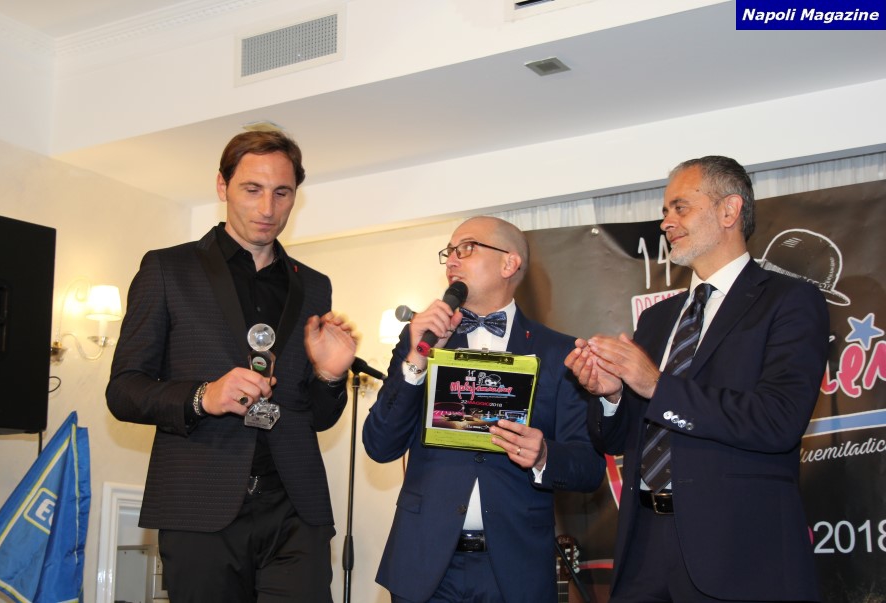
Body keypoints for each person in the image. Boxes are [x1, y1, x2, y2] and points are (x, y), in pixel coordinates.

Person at [107, 130, 357, 603]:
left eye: (282, 193)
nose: (267, 207)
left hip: (295, 507)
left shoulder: (314, 286)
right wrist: (204, 396)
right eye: (252, 189)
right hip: (199, 505)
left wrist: (329, 375)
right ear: (222, 186)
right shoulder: (167, 269)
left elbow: (317, 417)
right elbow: (123, 390)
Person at [565, 156, 829, 602]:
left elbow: (779, 421)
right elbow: (620, 440)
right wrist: (610, 397)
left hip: (736, 552)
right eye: (665, 211)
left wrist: (656, 385)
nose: (666, 222)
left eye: (680, 207)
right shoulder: (658, 318)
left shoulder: (789, 301)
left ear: (729, 210)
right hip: (643, 545)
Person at [363, 216, 606, 603]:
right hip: (424, 563)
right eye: (449, 252)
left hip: (515, 569)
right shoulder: (419, 340)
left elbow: (589, 468)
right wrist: (417, 360)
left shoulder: (559, 352)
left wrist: (544, 455)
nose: (452, 260)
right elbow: (380, 445)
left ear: (509, 263)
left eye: (467, 248)